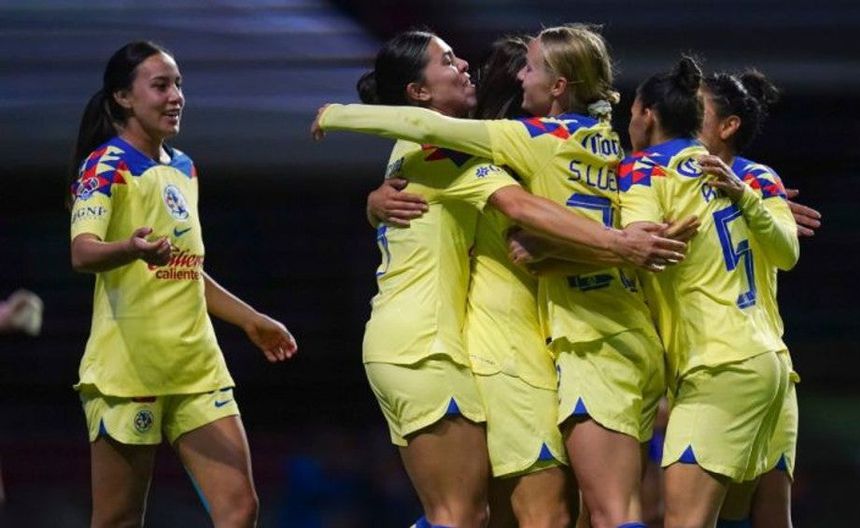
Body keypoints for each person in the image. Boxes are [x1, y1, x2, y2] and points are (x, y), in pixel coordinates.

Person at [312, 25, 690, 528]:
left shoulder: (519, 152)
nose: (463, 66)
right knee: (500, 515)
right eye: (448, 61)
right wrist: (617, 244)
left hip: (492, 344)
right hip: (465, 348)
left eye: (532, 68)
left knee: (488, 514)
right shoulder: (475, 155)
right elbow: (519, 206)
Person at [68, 41, 297, 528]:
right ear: (123, 97)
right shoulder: (106, 165)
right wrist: (131, 248)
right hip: (130, 370)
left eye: (178, 85)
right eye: (160, 86)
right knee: (119, 519)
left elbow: (187, 270)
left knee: (240, 509)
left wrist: (250, 319)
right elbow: (83, 252)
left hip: (196, 367)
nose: (175, 97)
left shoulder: (184, 168)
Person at [619, 56, 793, 528]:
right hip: (769, 364)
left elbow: (634, 241)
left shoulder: (654, 172)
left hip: (719, 363)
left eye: (698, 109)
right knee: (767, 515)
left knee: (682, 519)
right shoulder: (756, 178)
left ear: (728, 126)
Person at [698, 69, 811, 528]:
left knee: (762, 509)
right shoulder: (666, 174)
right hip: (709, 360)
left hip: (741, 357)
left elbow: (787, 254)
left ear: (729, 126)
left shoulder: (757, 179)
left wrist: (754, 200)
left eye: (697, 110)